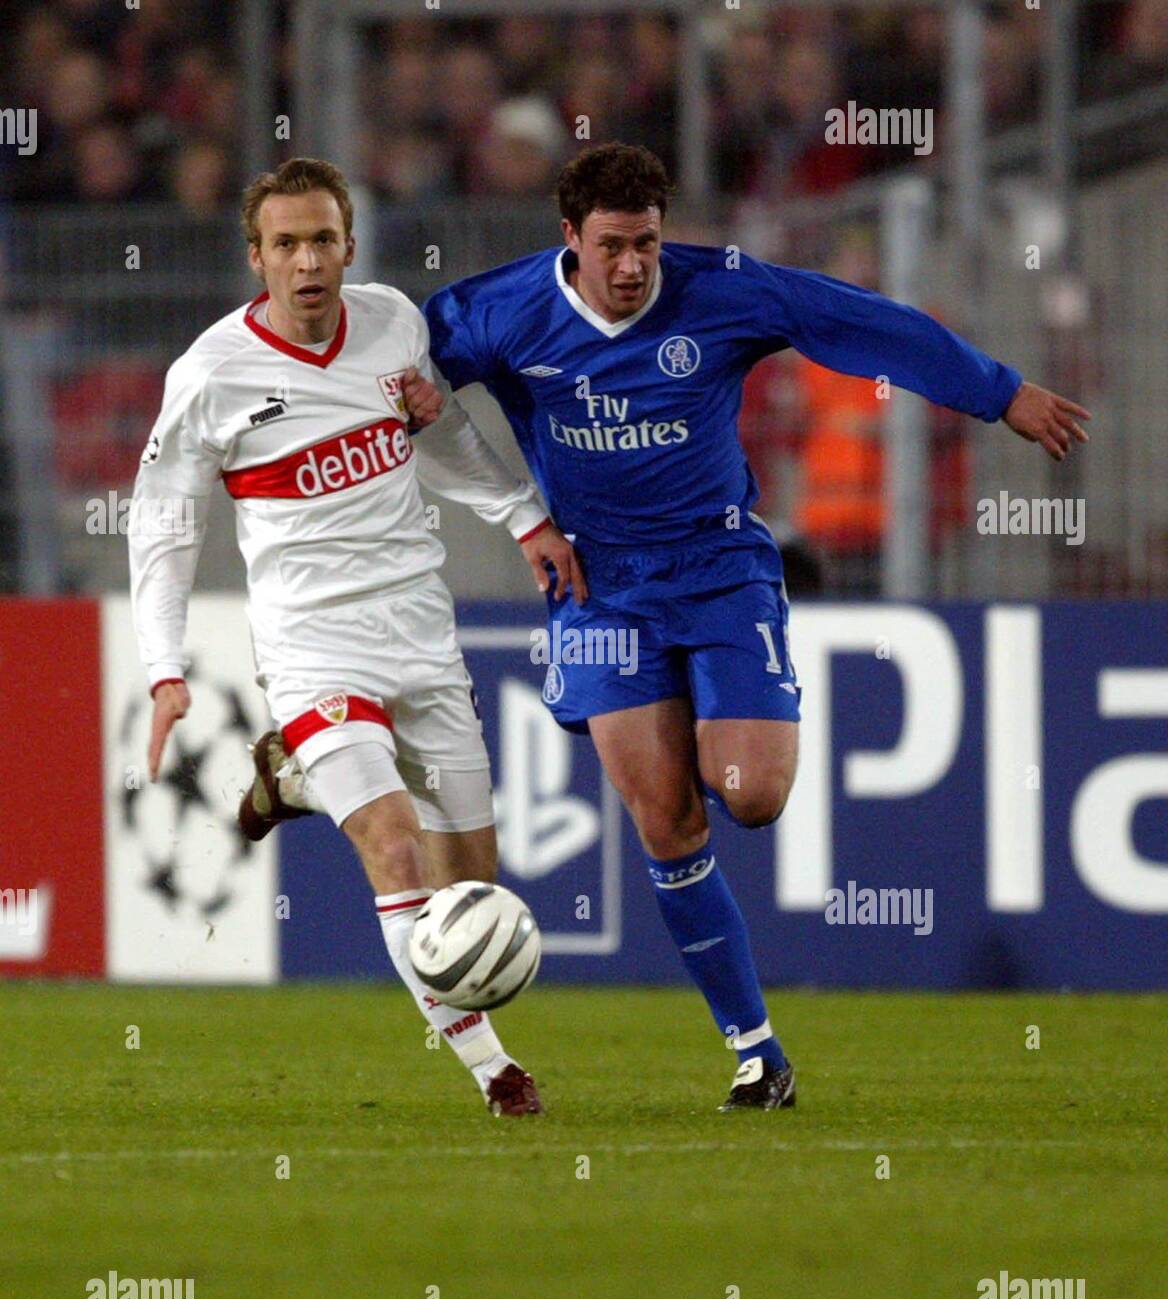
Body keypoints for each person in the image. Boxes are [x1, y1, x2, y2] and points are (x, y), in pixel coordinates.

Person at [252, 142, 1090, 1113]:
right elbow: (380, 377)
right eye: (610, 245)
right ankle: (755, 1052)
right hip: (600, 586)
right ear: (569, 239)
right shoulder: (497, 312)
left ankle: (721, 701)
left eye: (646, 243)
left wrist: (1001, 394)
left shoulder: (722, 290)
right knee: (665, 818)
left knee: (753, 791)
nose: (629, 266)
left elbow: (864, 323)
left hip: (719, 567)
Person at [129, 157, 583, 1117]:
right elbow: (163, 525)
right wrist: (164, 668)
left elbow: (445, 430)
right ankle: (495, 1071)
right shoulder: (211, 376)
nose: (307, 262)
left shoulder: (392, 325)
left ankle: (289, 779)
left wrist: (524, 517)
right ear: (257, 257)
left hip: (419, 627)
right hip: (312, 644)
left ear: (348, 246)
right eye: (285, 244)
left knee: (472, 889)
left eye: (322, 240)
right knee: (392, 842)